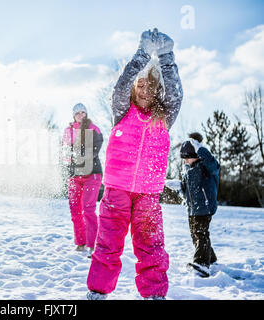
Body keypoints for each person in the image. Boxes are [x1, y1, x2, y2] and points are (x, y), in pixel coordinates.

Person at [86, 28, 183, 300]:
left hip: (148, 194)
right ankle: (98, 291)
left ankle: (154, 294)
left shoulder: (163, 118)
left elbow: (175, 94)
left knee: (151, 246)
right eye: (140, 85)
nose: (144, 90)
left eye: (150, 87)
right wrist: (142, 53)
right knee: (108, 243)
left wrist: (166, 56)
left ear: (156, 93)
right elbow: (122, 82)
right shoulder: (122, 110)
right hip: (116, 190)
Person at [167, 132, 219, 277]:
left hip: (205, 206)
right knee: (196, 236)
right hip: (192, 209)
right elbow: (186, 192)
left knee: (200, 234)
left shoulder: (206, 166)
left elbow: (214, 165)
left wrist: (200, 148)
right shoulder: (187, 171)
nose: (185, 161)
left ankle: (202, 264)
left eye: (187, 158)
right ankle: (211, 259)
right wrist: (179, 188)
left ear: (196, 154)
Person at [62, 103, 103, 258]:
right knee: (75, 210)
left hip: (91, 174)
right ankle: (80, 243)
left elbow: (94, 149)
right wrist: (69, 159)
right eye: (77, 113)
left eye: (83, 112)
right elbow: (65, 152)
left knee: (88, 209)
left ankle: (94, 245)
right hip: (74, 175)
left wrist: (78, 155)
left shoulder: (93, 128)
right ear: (73, 115)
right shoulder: (68, 131)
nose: (80, 115)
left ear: (86, 114)